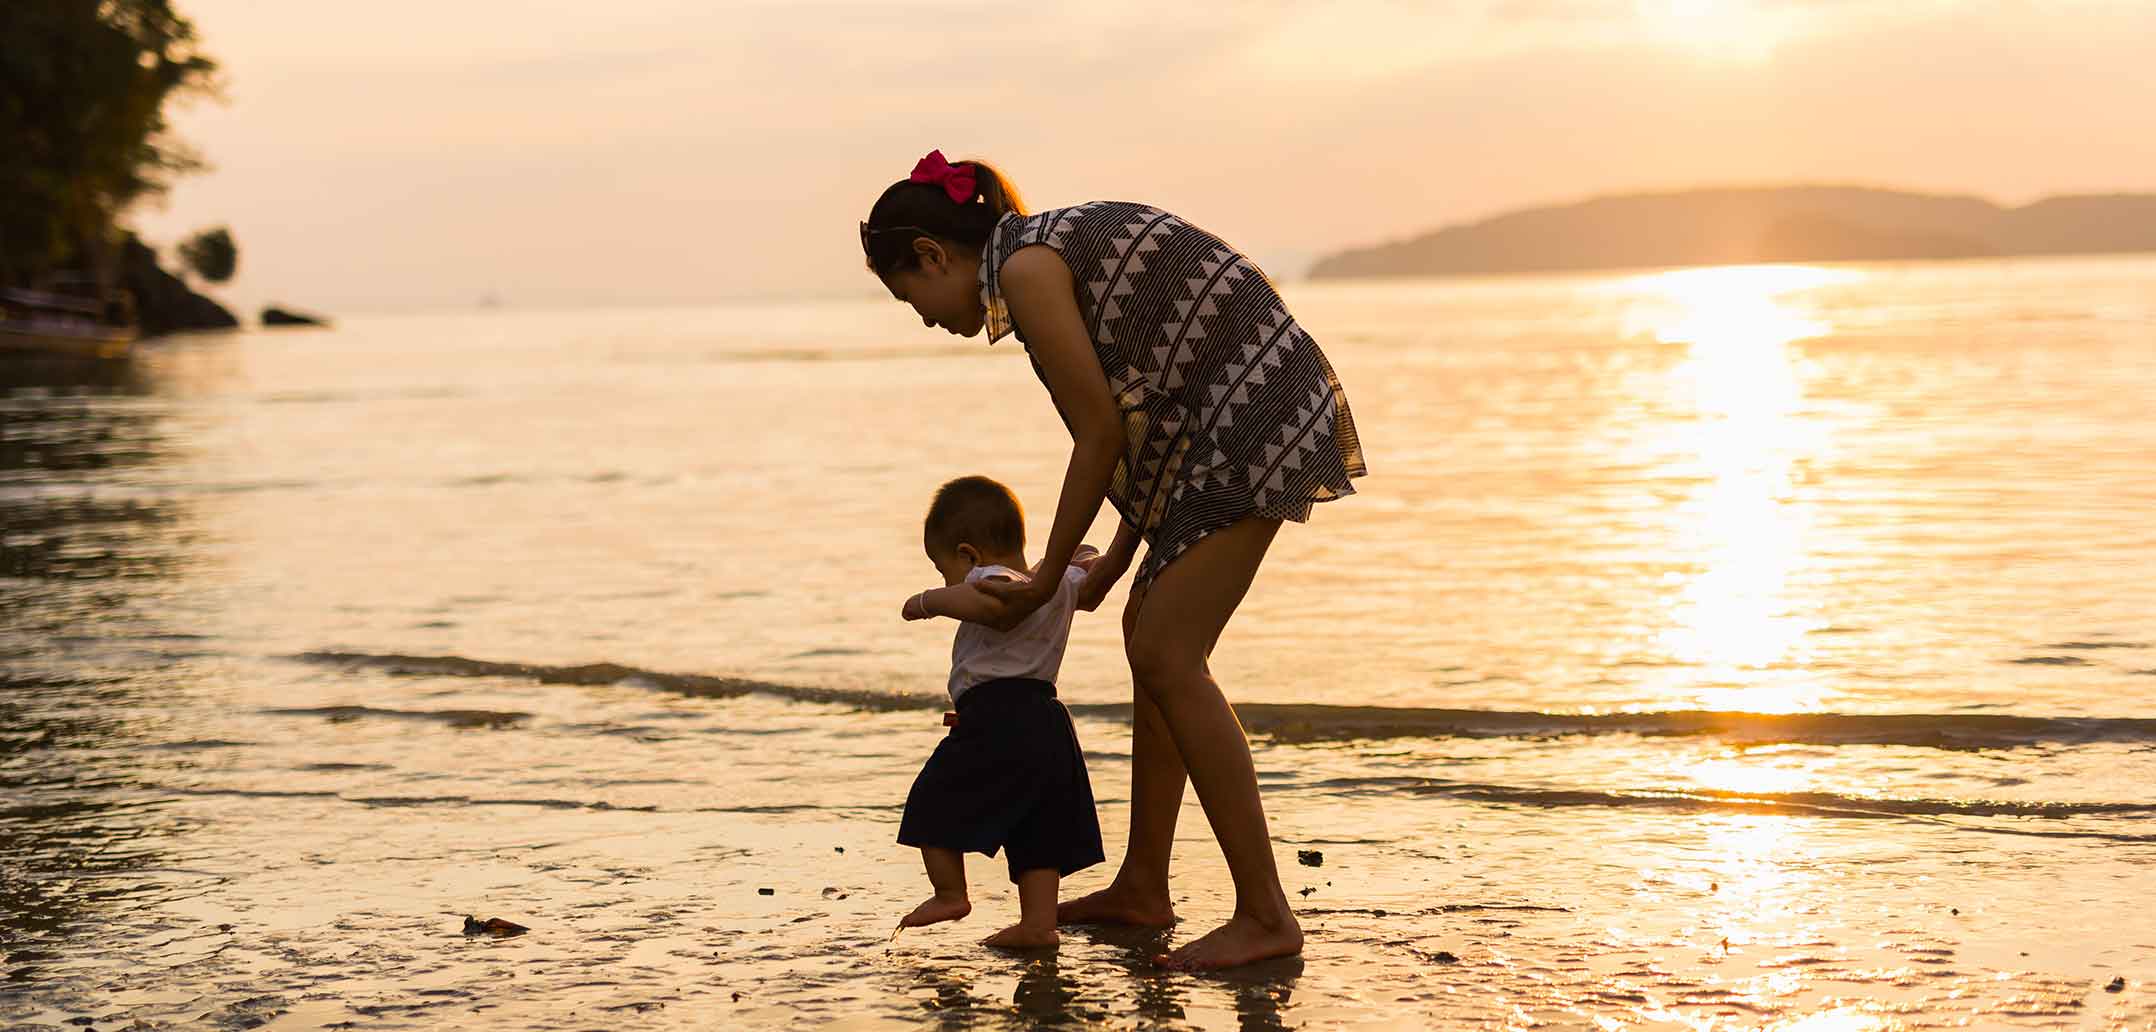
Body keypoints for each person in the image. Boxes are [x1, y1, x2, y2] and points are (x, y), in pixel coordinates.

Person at [861, 151, 1367, 969]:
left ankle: (1266, 913)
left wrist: (1038, 581)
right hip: (1217, 419)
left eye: (907, 295)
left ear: (931, 254)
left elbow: (1098, 432)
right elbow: (1136, 422)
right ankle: (1143, 885)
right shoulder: (1035, 256)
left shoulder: (1026, 268)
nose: (920, 316)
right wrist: (1111, 561)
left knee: (1170, 650)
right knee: (1148, 633)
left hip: (1253, 407)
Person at [895, 475, 1107, 950]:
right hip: (1048, 722)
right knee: (1038, 829)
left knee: (931, 798)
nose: (948, 579)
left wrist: (928, 601)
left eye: (943, 566)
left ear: (968, 555)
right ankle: (1038, 924)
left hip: (995, 719)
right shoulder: (1053, 584)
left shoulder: (990, 581)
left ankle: (950, 893)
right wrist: (1095, 555)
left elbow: (984, 604)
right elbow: (1091, 579)